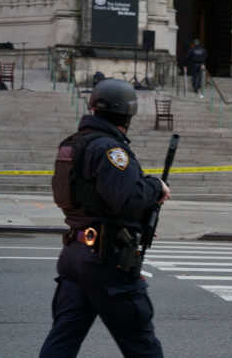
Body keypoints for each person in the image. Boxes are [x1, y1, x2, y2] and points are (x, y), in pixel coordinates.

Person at [40, 79, 170, 358]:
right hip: (106, 260)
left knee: (63, 339)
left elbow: (90, 198)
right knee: (141, 343)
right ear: (127, 115)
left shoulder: (72, 145)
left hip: (74, 253)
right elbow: (127, 199)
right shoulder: (111, 150)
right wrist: (155, 186)